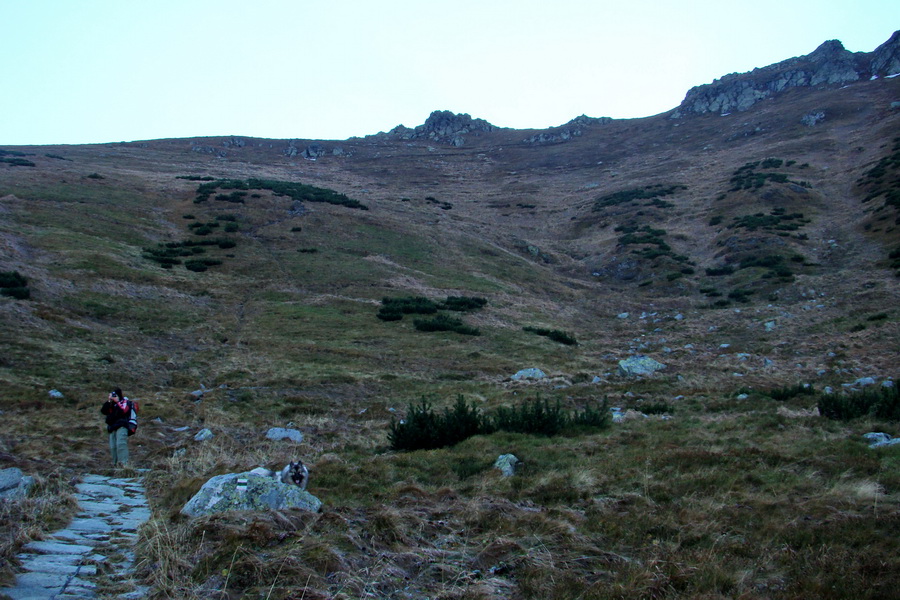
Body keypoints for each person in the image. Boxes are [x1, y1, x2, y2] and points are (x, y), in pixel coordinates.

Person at [100, 387, 136, 467]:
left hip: (122, 425)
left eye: (114, 394)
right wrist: (109, 401)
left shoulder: (124, 401)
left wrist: (118, 401)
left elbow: (124, 410)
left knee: (121, 444)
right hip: (112, 426)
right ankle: (115, 465)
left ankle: (124, 465)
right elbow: (103, 411)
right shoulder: (111, 404)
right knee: (113, 446)